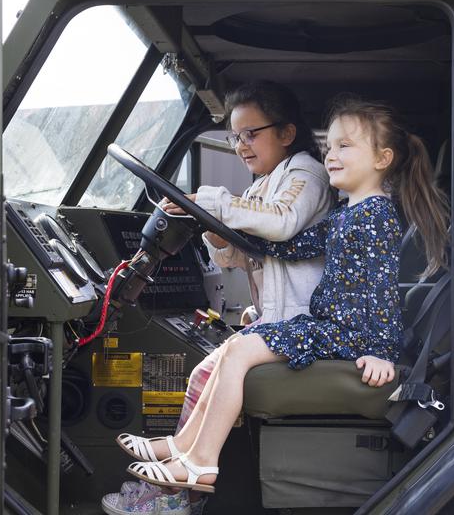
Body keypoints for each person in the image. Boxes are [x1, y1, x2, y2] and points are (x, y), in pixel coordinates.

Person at [125, 96, 450, 493]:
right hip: (333, 328)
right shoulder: (347, 213)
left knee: (239, 351)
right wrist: (219, 224)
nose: (331, 155)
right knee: (234, 348)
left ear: (383, 159)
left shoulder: (374, 216)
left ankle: (201, 461)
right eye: (329, 146)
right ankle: (184, 446)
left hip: (347, 335)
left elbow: (379, 290)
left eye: (345, 146)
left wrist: (382, 351)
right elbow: (287, 247)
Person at [111, 81, 332, 509]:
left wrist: (214, 202)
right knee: (199, 375)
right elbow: (239, 257)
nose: (242, 146)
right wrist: (212, 230)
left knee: (218, 366)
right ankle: (177, 470)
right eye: (235, 136)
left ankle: (178, 485)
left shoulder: (306, 172)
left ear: (286, 133)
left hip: (300, 320)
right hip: (276, 317)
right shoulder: (261, 186)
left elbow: (284, 222)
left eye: (252, 133)